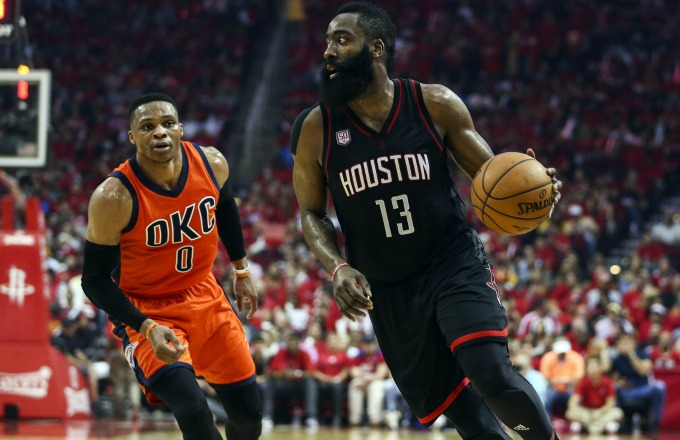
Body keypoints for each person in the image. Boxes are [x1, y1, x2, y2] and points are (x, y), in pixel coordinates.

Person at [290, 2, 562, 439]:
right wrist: (336, 266)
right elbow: (311, 213)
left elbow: (493, 177)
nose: (328, 51)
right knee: (462, 412)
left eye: (341, 39)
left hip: (451, 262)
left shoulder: (433, 103)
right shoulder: (315, 129)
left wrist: (536, 189)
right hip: (388, 286)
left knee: (488, 370)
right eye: (326, 41)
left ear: (376, 48)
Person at [81, 93, 262, 440]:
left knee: (249, 415)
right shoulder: (113, 197)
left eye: (167, 123)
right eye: (147, 127)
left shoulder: (211, 163)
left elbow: (225, 207)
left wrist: (241, 271)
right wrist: (146, 327)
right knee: (194, 411)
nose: (159, 133)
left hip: (204, 294)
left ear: (180, 128)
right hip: (146, 309)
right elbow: (93, 281)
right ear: (133, 137)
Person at [565, 357, 623, 435]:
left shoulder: (607, 382)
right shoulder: (583, 382)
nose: (592, 369)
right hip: (587, 412)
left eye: (594, 366)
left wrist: (599, 412)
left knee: (618, 413)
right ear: (586, 369)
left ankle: (588, 427)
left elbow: (610, 403)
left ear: (600, 368)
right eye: (590, 367)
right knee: (570, 413)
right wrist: (574, 409)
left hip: (602, 412)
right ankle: (604, 427)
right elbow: (573, 402)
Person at [539, 338, 585, 419]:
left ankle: (575, 419)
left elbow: (578, 377)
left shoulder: (576, 358)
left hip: (570, 387)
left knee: (577, 398)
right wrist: (554, 382)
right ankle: (548, 420)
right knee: (545, 398)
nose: (561, 355)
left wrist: (569, 382)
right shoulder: (548, 358)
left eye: (563, 353)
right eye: (560, 353)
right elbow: (546, 377)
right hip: (553, 388)